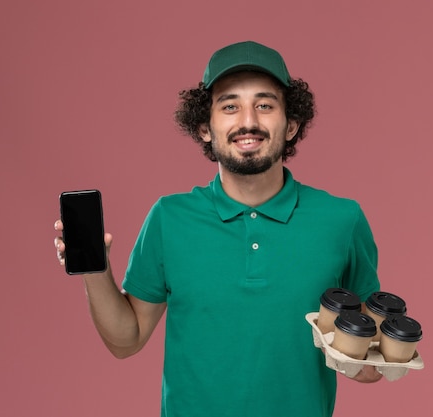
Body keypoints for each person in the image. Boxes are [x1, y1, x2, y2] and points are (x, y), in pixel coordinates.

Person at [54, 40, 381, 417]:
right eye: (229, 106)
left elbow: (369, 363)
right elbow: (125, 341)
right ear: (204, 128)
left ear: (291, 124)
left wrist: (377, 356)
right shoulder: (169, 218)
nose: (248, 121)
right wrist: (95, 270)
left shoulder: (341, 220)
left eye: (264, 105)